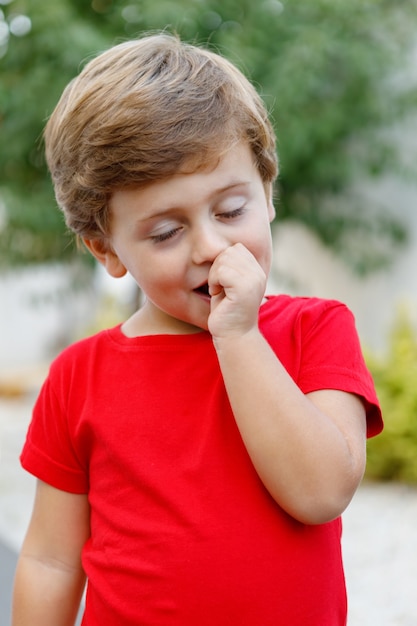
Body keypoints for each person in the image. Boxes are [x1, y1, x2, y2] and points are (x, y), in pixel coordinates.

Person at [12, 32, 383, 626]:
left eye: (231, 210)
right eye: (165, 232)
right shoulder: (79, 376)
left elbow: (320, 494)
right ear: (106, 250)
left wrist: (238, 336)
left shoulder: (315, 329)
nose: (212, 247)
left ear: (267, 193)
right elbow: (51, 561)